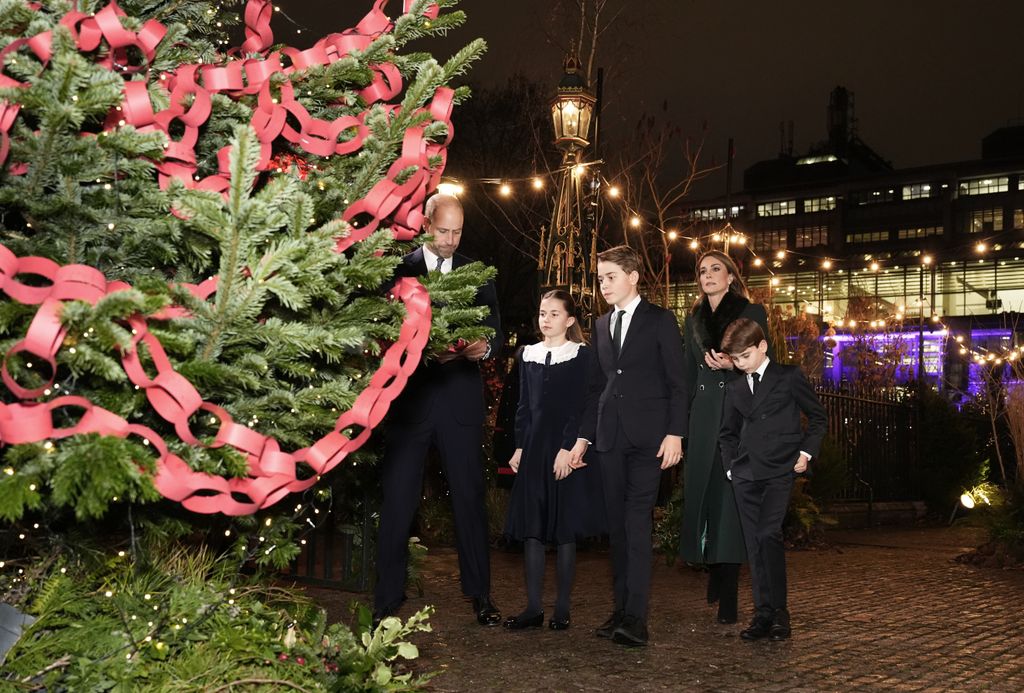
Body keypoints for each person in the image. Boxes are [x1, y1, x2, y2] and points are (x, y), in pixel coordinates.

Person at [374, 193, 504, 627]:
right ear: (426, 224)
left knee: (470, 501)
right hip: (410, 403)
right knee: (397, 502)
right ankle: (386, 599)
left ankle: (481, 595)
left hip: (460, 405)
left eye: (458, 232)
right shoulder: (398, 270)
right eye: (444, 230)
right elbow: (381, 329)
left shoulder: (477, 272)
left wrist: (484, 347)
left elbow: (495, 333)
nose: (450, 240)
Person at [569, 245, 688, 647]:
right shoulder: (601, 325)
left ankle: (637, 618)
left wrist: (675, 433)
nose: (603, 285)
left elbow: (678, 382)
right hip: (609, 439)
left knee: (637, 525)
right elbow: (596, 389)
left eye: (610, 277)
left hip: (649, 440)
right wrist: (583, 439)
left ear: (633, 277)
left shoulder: (660, 320)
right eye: (600, 278)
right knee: (617, 529)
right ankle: (620, 610)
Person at [678, 250, 773, 624]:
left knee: (729, 501)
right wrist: (679, 428)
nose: (708, 275)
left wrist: (734, 364)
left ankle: (729, 594)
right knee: (704, 497)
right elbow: (688, 375)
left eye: (716, 269)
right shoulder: (693, 319)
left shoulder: (752, 313)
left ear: (731, 276)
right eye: (702, 270)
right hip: (703, 417)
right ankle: (715, 572)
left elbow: (764, 365)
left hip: (738, 414)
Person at [718, 318, 826, 642]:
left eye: (745, 356)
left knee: (768, 534)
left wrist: (806, 452)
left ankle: (780, 612)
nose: (740, 364)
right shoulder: (735, 387)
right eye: (735, 359)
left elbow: (818, 417)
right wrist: (730, 468)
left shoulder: (788, 377)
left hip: (780, 470)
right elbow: (727, 433)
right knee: (754, 543)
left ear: (762, 346)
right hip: (745, 474)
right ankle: (762, 614)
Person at [503, 290, 604, 631]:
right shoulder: (527, 354)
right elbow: (523, 406)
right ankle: (533, 608)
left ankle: (562, 609)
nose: (546, 319)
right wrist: (519, 447)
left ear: (570, 319)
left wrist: (569, 447)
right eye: (542, 313)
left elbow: (582, 405)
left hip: (564, 450)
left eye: (554, 314)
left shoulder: (581, 355)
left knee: (564, 530)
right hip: (533, 449)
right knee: (532, 529)